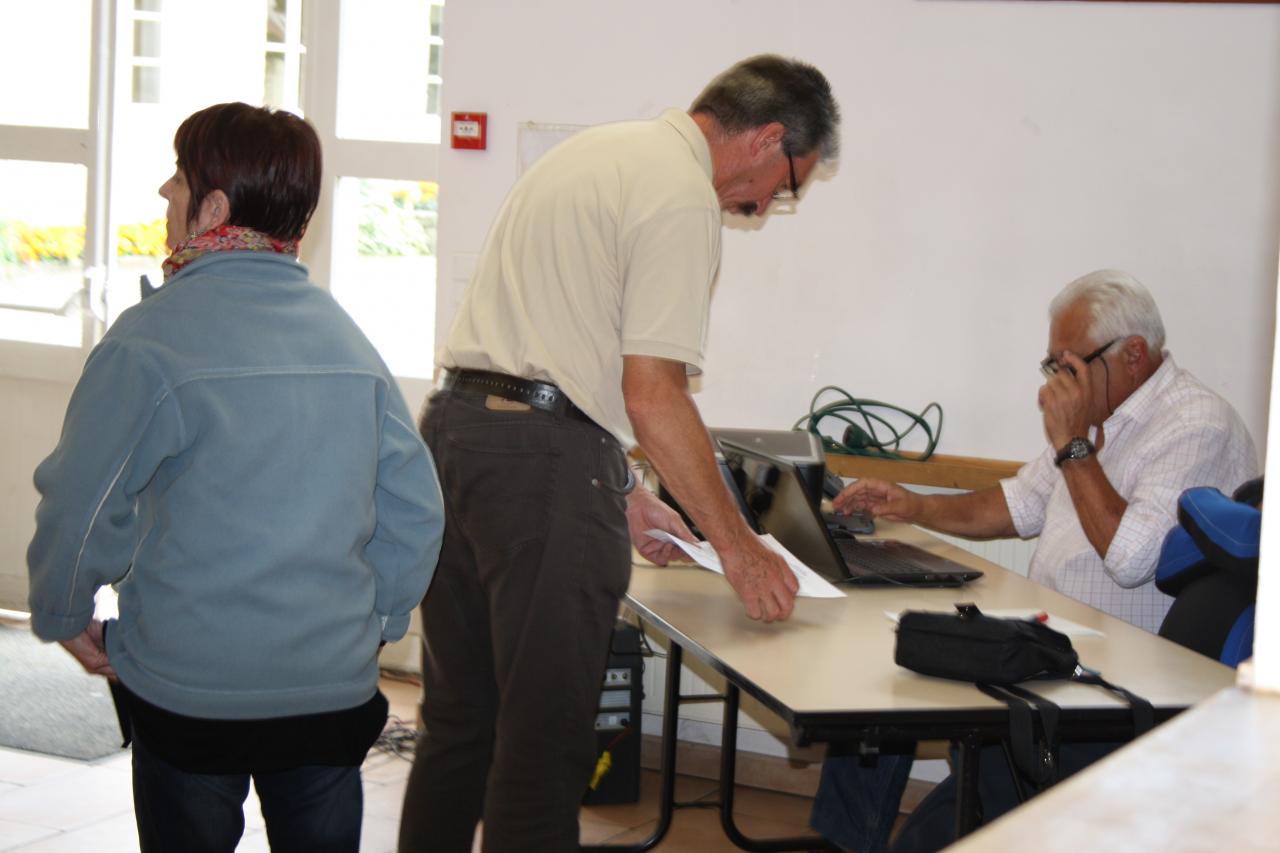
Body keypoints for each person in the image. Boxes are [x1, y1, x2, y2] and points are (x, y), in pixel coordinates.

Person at [397, 55, 841, 852]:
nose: (764, 206)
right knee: (542, 744)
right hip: (539, 462)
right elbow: (654, 395)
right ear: (767, 138)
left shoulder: (598, 152)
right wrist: (738, 547)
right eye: (785, 186)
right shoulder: (681, 195)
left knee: (459, 724)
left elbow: (554, 354)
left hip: (456, 432)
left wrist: (624, 490)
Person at [26, 102, 445, 853]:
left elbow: (84, 504)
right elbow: (415, 509)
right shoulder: (348, 341)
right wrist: (376, 624)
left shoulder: (150, 342)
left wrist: (63, 609)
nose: (165, 192)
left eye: (179, 178)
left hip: (191, 695)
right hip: (328, 693)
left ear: (214, 208)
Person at [811, 268, 1259, 853]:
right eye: (1053, 365)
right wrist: (913, 504)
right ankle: (845, 844)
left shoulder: (1196, 425)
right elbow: (1019, 504)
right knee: (889, 681)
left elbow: (1131, 557)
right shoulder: (1099, 417)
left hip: (1115, 681)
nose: (1056, 384)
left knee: (947, 787)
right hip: (1053, 648)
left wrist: (1073, 444)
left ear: (1132, 355)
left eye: (1069, 366)